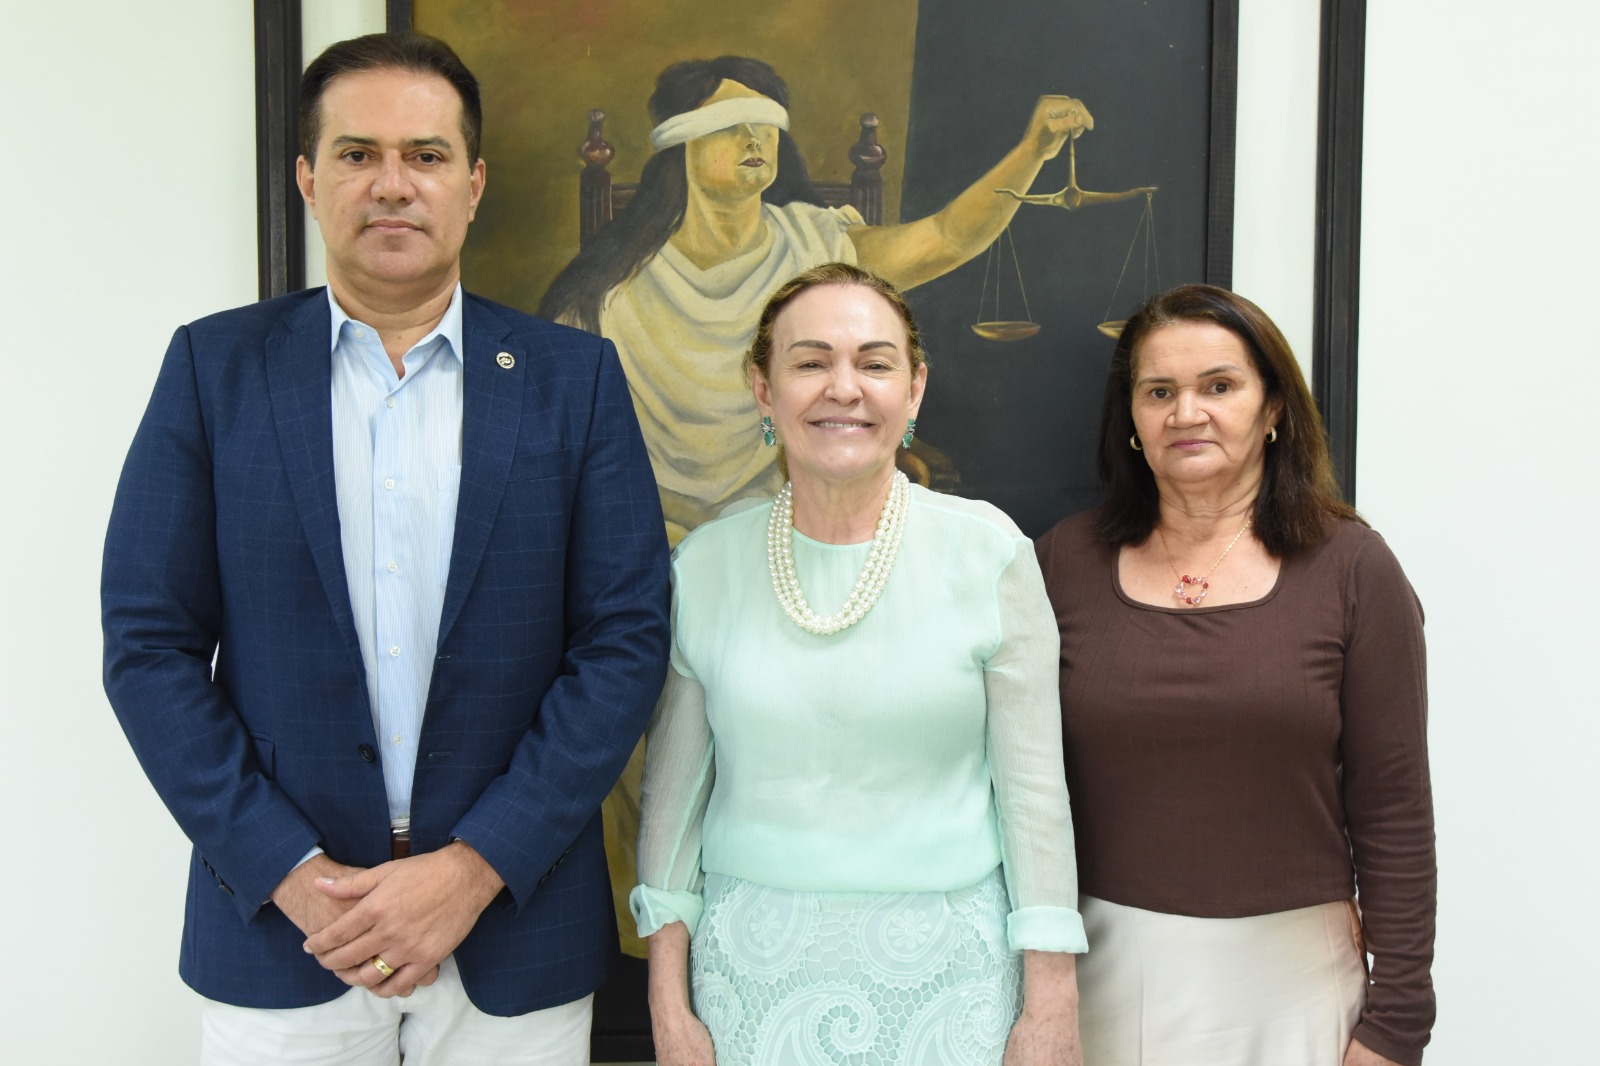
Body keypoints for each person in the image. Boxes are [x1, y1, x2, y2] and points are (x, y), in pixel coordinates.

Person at [101, 32, 670, 1064]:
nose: (393, 184)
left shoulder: (574, 380)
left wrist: (474, 867)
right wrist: (289, 871)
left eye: (426, 155)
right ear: (308, 180)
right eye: (358, 154)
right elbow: (148, 646)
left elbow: (623, 641)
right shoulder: (212, 370)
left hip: (514, 921)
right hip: (286, 928)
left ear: (473, 184)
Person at [631, 262, 1087, 1066]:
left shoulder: (989, 552)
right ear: (763, 390)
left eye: (874, 364)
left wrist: (1051, 1004)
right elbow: (671, 811)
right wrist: (668, 1006)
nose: (843, 388)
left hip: (952, 979)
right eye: (810, 362)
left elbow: (1034, 799)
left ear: (913, 391)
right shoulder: (705, 565)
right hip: (751, 976)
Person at [1036, 284, 1435, 1066]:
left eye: (1218, 386)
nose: (1187, 413)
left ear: (1274, 406)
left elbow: (1394, 809)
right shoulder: (1061, 563)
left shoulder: (1354, 569)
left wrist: (1397, 1022)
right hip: (1097, 972)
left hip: (1294, 983)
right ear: (1132, 420)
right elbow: (1019, 788)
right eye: (1160, 392)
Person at [539, 56, 1094, 545]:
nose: (755, 140)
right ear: (682, 143)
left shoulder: (816, 245)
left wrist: (1033, 151)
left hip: (786, 536)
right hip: (646, 537)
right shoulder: (608, 295)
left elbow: (947, 237)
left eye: (765, 124)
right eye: (731, 125)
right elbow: (573, 446)